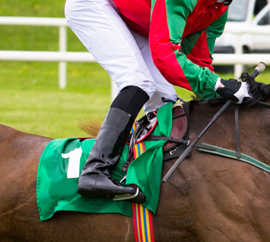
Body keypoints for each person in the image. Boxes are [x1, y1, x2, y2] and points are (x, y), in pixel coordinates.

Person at [65, 0, 252, 200]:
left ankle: (144, 171)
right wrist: (219, 85)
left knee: (165, 100)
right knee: (138, 83)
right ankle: (94, 171)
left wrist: (229, 98)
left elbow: (199, 62)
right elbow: (165, 56)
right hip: (94, 5)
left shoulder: (218, 8)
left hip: (133, 20)